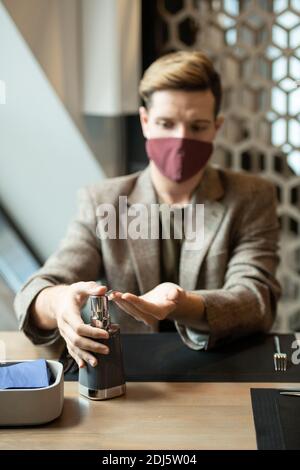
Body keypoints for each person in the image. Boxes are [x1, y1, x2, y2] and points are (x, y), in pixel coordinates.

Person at [14, 50, 281, 369]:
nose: (180, 140)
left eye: (197, 127)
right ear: (145, 122)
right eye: (166, 123)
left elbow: (256, 299)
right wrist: (60, 303)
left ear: (216, 127)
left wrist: (183, 304)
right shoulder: (103, 202)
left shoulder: (250, 197)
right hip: (125, 375)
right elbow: (38, 289)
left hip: (221, 370)